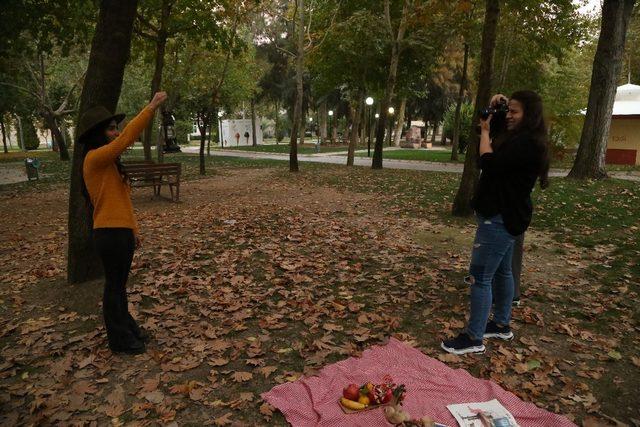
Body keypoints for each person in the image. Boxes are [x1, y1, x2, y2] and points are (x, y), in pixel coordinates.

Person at [441, 90, 550, 355]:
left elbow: (488, 162)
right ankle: (501, 324)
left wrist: (486, 130)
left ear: (529, 115)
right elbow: (494, 155)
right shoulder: (521, 138)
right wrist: (495, 113)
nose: (509, 116)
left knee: (480, 278)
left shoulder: (525, 144)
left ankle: (473, 337)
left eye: (514, 112)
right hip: (505, 215)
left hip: (500, 219)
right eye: (508, 111)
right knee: (502, 272)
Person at [77, 91, 168, 354]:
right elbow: (128, 137)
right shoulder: (94, 158)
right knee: (114, 287)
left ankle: (128, 330)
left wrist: (134, 230)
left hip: (121, 232)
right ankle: (120, 340)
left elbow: (122, 202)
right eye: (111, 130)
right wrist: (150, 107)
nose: (116, 133)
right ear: (98, 133)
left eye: (116, 128)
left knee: (119, 286)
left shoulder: (109, 164)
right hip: (108, 233)